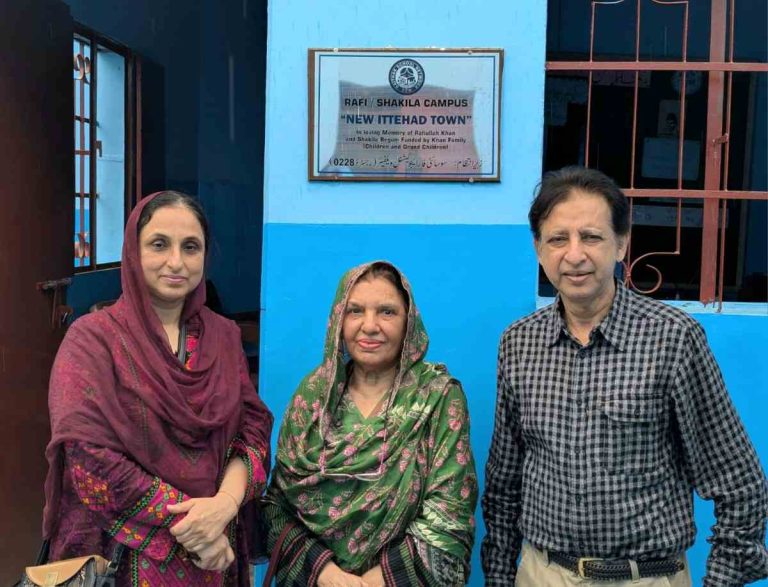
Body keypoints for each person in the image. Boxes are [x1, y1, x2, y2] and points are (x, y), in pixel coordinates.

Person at [481, 166, 768, 586]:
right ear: (538, 249)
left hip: (646, 577)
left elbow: (738, 481)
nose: (574, 255)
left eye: (591, 237)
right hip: (542, 574)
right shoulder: (519, 343)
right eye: (558, 238)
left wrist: (720, 579)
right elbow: (504, 486)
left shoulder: (672, 338)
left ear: (621, 244)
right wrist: (500, 578)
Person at [43, 191, 273, 586]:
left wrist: (224, 506)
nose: (176, 262)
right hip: (118, 551)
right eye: (159, 245)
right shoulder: (92, 340)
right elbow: (88, 456)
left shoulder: (223, 336)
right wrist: (196, 526)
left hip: (216, 549)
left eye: (191, 247)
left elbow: (252, 431)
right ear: (133, 252)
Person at [264, 261, 478, 586]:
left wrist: (376, 582)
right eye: (355, 311)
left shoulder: (437, 397)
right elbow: (277, 507)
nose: (370, 325)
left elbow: (449, 513)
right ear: (339, 319)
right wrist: (328, 574)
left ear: (410, 322)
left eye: (387, 312)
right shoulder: (312, 397)